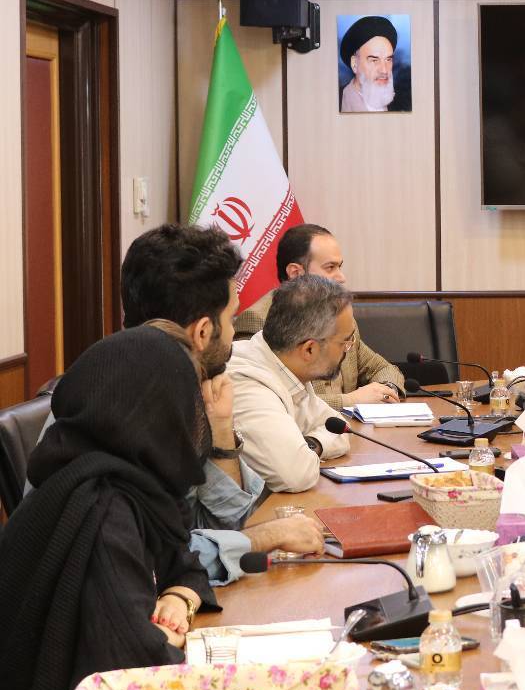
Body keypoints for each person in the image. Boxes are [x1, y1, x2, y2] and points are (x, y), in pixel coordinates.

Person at [24, 224, 325, 584]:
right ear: (202, 332)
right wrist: (260, 539)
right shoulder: (123, 406)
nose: (234, 333)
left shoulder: (182, 387)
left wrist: (221, 436)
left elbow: (223, 525)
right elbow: (149, 561)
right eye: (231, 318)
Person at [0, 327, 216, 690]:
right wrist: (156, 637)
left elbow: (184, 564)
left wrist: (179, 598)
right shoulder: (104, 505)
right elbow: (132, 670)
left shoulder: (131, 482)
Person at [235, 223, 404, 408]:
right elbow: (271, 399)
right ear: (296, 273)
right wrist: (350, 400)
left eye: (339, 266)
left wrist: (385, 391)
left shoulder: (339, 315)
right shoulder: (259, 321)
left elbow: (382, 368)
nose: (341, 277)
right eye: (330, 267)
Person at [228, 275, 354, 492]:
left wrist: (312, 444)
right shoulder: (247, 382)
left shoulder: (286, 367)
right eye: (345, 342)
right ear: (309, 349)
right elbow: (296, 475)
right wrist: (309, 448)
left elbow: (340, 429)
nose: (347, 349)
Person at [340, 14, 399, 112]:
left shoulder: (401, 104)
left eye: (388, 59)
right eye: (374, 60)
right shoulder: (337, 102)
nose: (384, 70)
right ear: (354, 64)